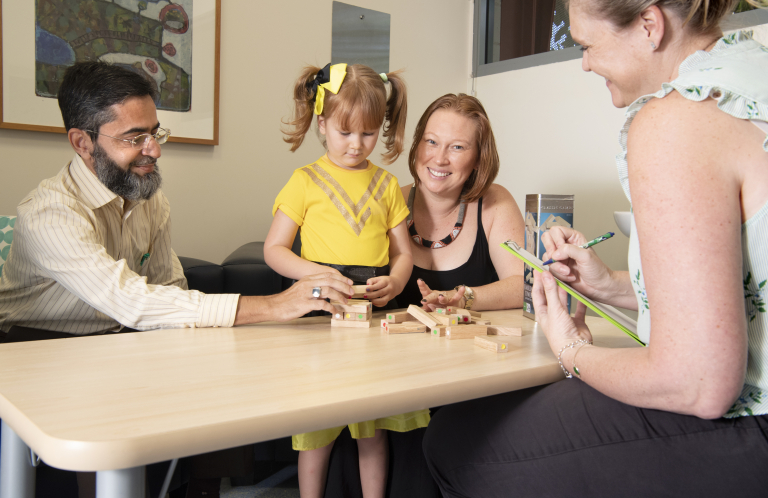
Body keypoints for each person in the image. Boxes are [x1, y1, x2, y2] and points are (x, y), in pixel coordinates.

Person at [422, 0, 768, 496]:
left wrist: (571, 350)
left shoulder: (675, 119)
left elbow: (698, 383)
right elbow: (739, 289)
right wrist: (608, 285)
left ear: (650, 27)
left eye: (587, 46)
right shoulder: (751, 70)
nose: (584, 65)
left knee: (456, 443)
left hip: (751, 426)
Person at [0, 60, 355, 498]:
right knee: (103, 421)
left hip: (119, 340)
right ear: (82, 142)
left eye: (155, 132)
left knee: (213, 377)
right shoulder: (48, 213)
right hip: (39, 350)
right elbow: (132, 300)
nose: (154, 149)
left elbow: (169, 290)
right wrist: (277, 305)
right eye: (135, 138)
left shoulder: (149, 197)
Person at [263, 62, 423, 498]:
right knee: (317, 431)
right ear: (322, 125)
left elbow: (403, 253)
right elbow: (274, 250)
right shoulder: (304, 181)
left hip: (371, 317)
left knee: (372, 430)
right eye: (344, 132)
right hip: (318, 313)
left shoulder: (388, 185)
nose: (356, 145)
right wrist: (313, 274)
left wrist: (395, 281)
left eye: (368, 133)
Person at [396, 93, 525, 311]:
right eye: (431, 142)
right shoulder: (388, 200)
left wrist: (461, 298)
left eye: (457, 147)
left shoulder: (496, 203)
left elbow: (524, 284)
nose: (439, 159)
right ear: (417, 145)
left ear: (478, 158)